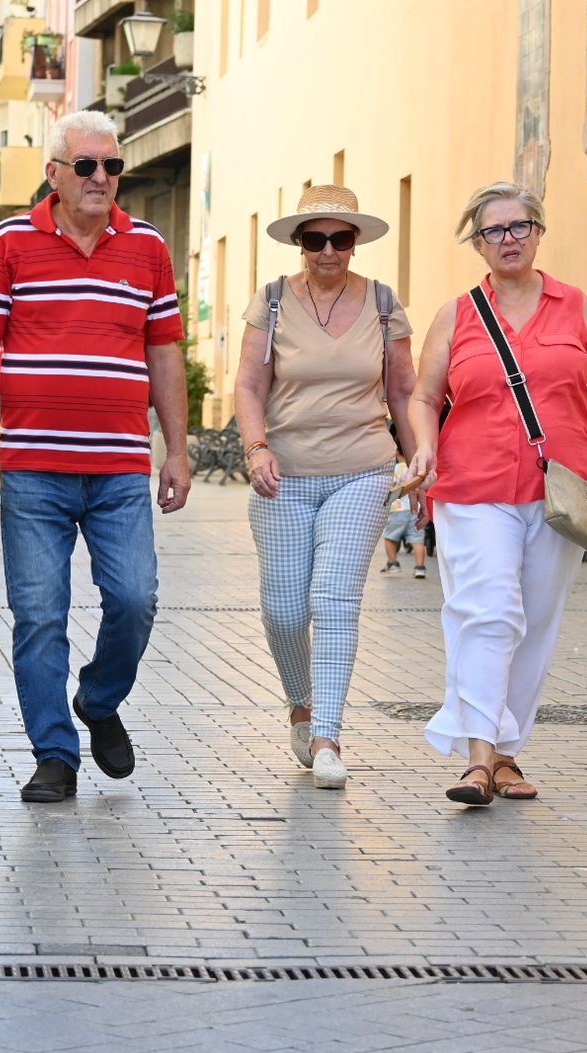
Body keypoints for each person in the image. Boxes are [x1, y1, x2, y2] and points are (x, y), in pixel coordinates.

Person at [0, 109, 192, 804]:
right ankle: (54, 752)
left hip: (120, 466)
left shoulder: (147, 245)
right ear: (54, 173)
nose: (101, 179)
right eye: (86, 166)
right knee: (39, 613)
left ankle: (98, 695)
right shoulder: (9, 243)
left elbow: (164, 352)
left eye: (112, 167)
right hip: (33, 467)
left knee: (135, 597)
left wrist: (176, 449)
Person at [406, 181, 587, 806]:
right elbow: (421, 395)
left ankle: (507, 757)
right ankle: (477, 757)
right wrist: (423, 446)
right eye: (494, 231)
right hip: (472, 485)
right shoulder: (457, 314)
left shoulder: (574, 305)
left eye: (520, 227)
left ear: (539, 232)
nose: (509, 239)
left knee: (536, 621)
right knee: (489, 611)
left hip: (559, 489)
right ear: (478, 243)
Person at [233, 184, 417, 789]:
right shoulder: (273, 302)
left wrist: (418, 466)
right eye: (315, 239)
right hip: (282, 473)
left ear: (356, 242)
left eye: (340, 238)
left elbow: (403, 393)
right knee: (285, 610)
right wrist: (256, 447)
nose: (328, 250)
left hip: (362, 469)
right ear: (299, 244)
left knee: (334, 599)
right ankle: (300, 704)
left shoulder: (385, 305)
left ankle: (329, 736)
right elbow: (250, 388)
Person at [380, 452, 427, 578]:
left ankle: (393, 563)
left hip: (397, 509)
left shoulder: (394, 469)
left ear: (397, 453)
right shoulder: (417, 470)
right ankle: (420, 567)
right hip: (415, 510)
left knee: (390, 537)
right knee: (417, 540)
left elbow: (387, 489)